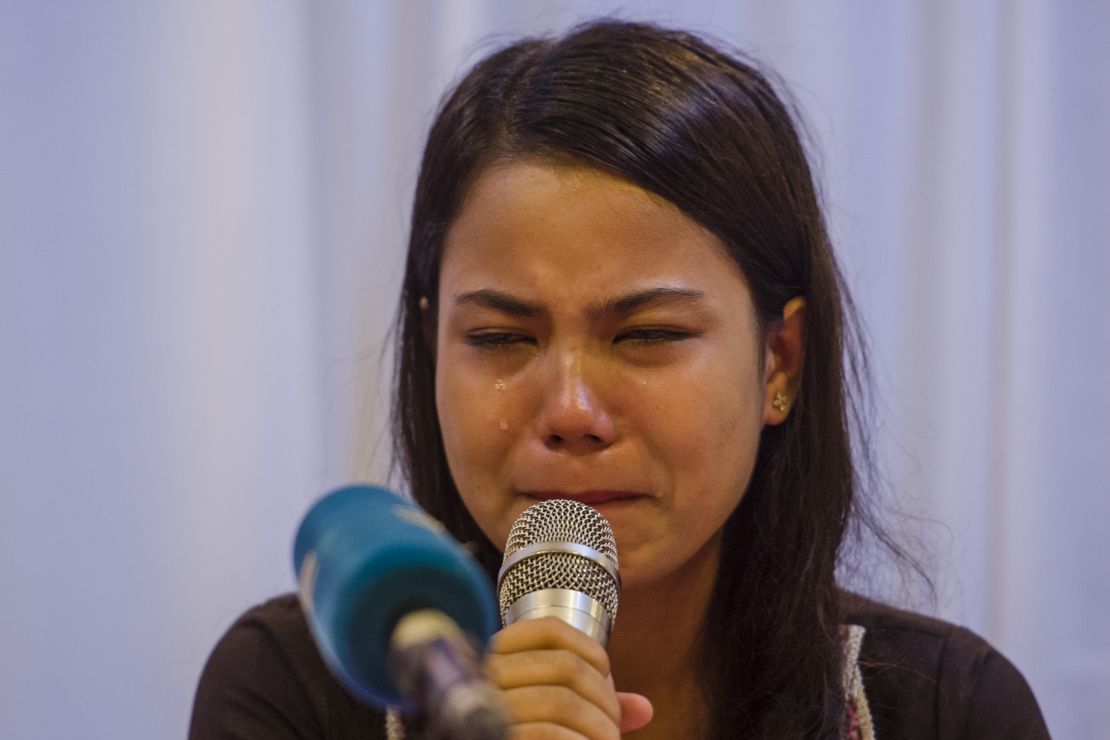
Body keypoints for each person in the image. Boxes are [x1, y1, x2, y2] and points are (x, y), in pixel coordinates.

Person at [190, 19, 1049, 739]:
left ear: (778, 361)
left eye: (647, 335)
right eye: (498, 337)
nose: (570, 412)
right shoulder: (294, 687)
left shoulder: (944, 709)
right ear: (430, 346)